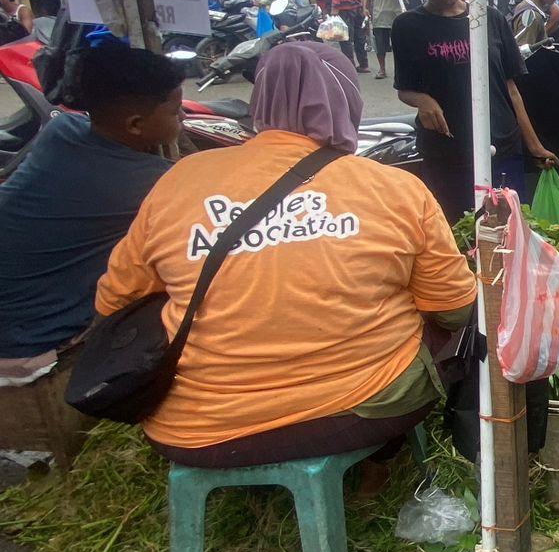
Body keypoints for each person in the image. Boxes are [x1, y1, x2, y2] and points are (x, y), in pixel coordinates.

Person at [94, 42, 478, 474]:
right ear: (346, 99)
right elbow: (455, 308)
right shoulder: (394, 187)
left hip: (197, 431)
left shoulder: (180, 178)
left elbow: (115, 303)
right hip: (359, 412)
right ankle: (380, 462)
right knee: (436, 324)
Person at [0, 45, 183, 383]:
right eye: (175, 112)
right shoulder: (155, 183)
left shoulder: (61, 130)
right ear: (135, 124)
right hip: (26, 348)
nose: (182, 118)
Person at [392, 0, 556, 221]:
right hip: (447, 154)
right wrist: (423, 100)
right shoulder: (407, 26)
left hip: (502, 148)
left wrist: (534, 145)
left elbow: (510, 87)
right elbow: (404, 88)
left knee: (507, 234)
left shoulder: (488, 19)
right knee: (458, 234)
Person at [363, 0, 409, 80]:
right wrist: (365, 9)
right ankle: (382, 70)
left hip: (397, 18)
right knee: (380, 47)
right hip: (379, 18)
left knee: (399, 47)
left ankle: (400, 71)